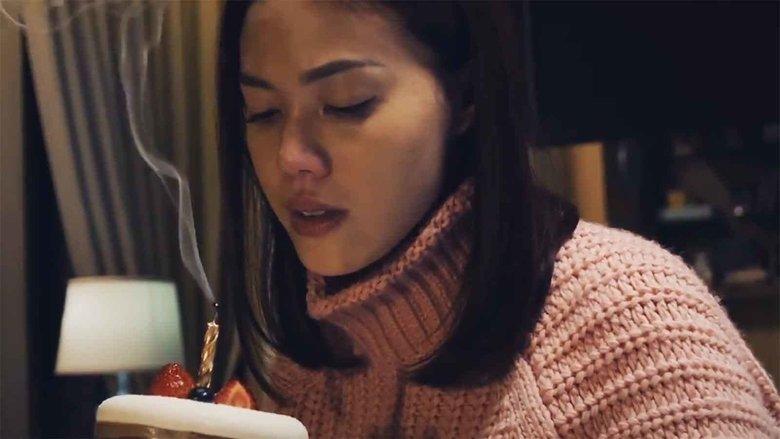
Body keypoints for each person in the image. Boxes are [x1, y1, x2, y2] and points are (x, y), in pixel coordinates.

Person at [216, 1, 780, 437]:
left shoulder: (634, 325)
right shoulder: (303, 369)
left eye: (346, 103)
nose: (290, 157)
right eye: (262, 113)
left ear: (466, 98)